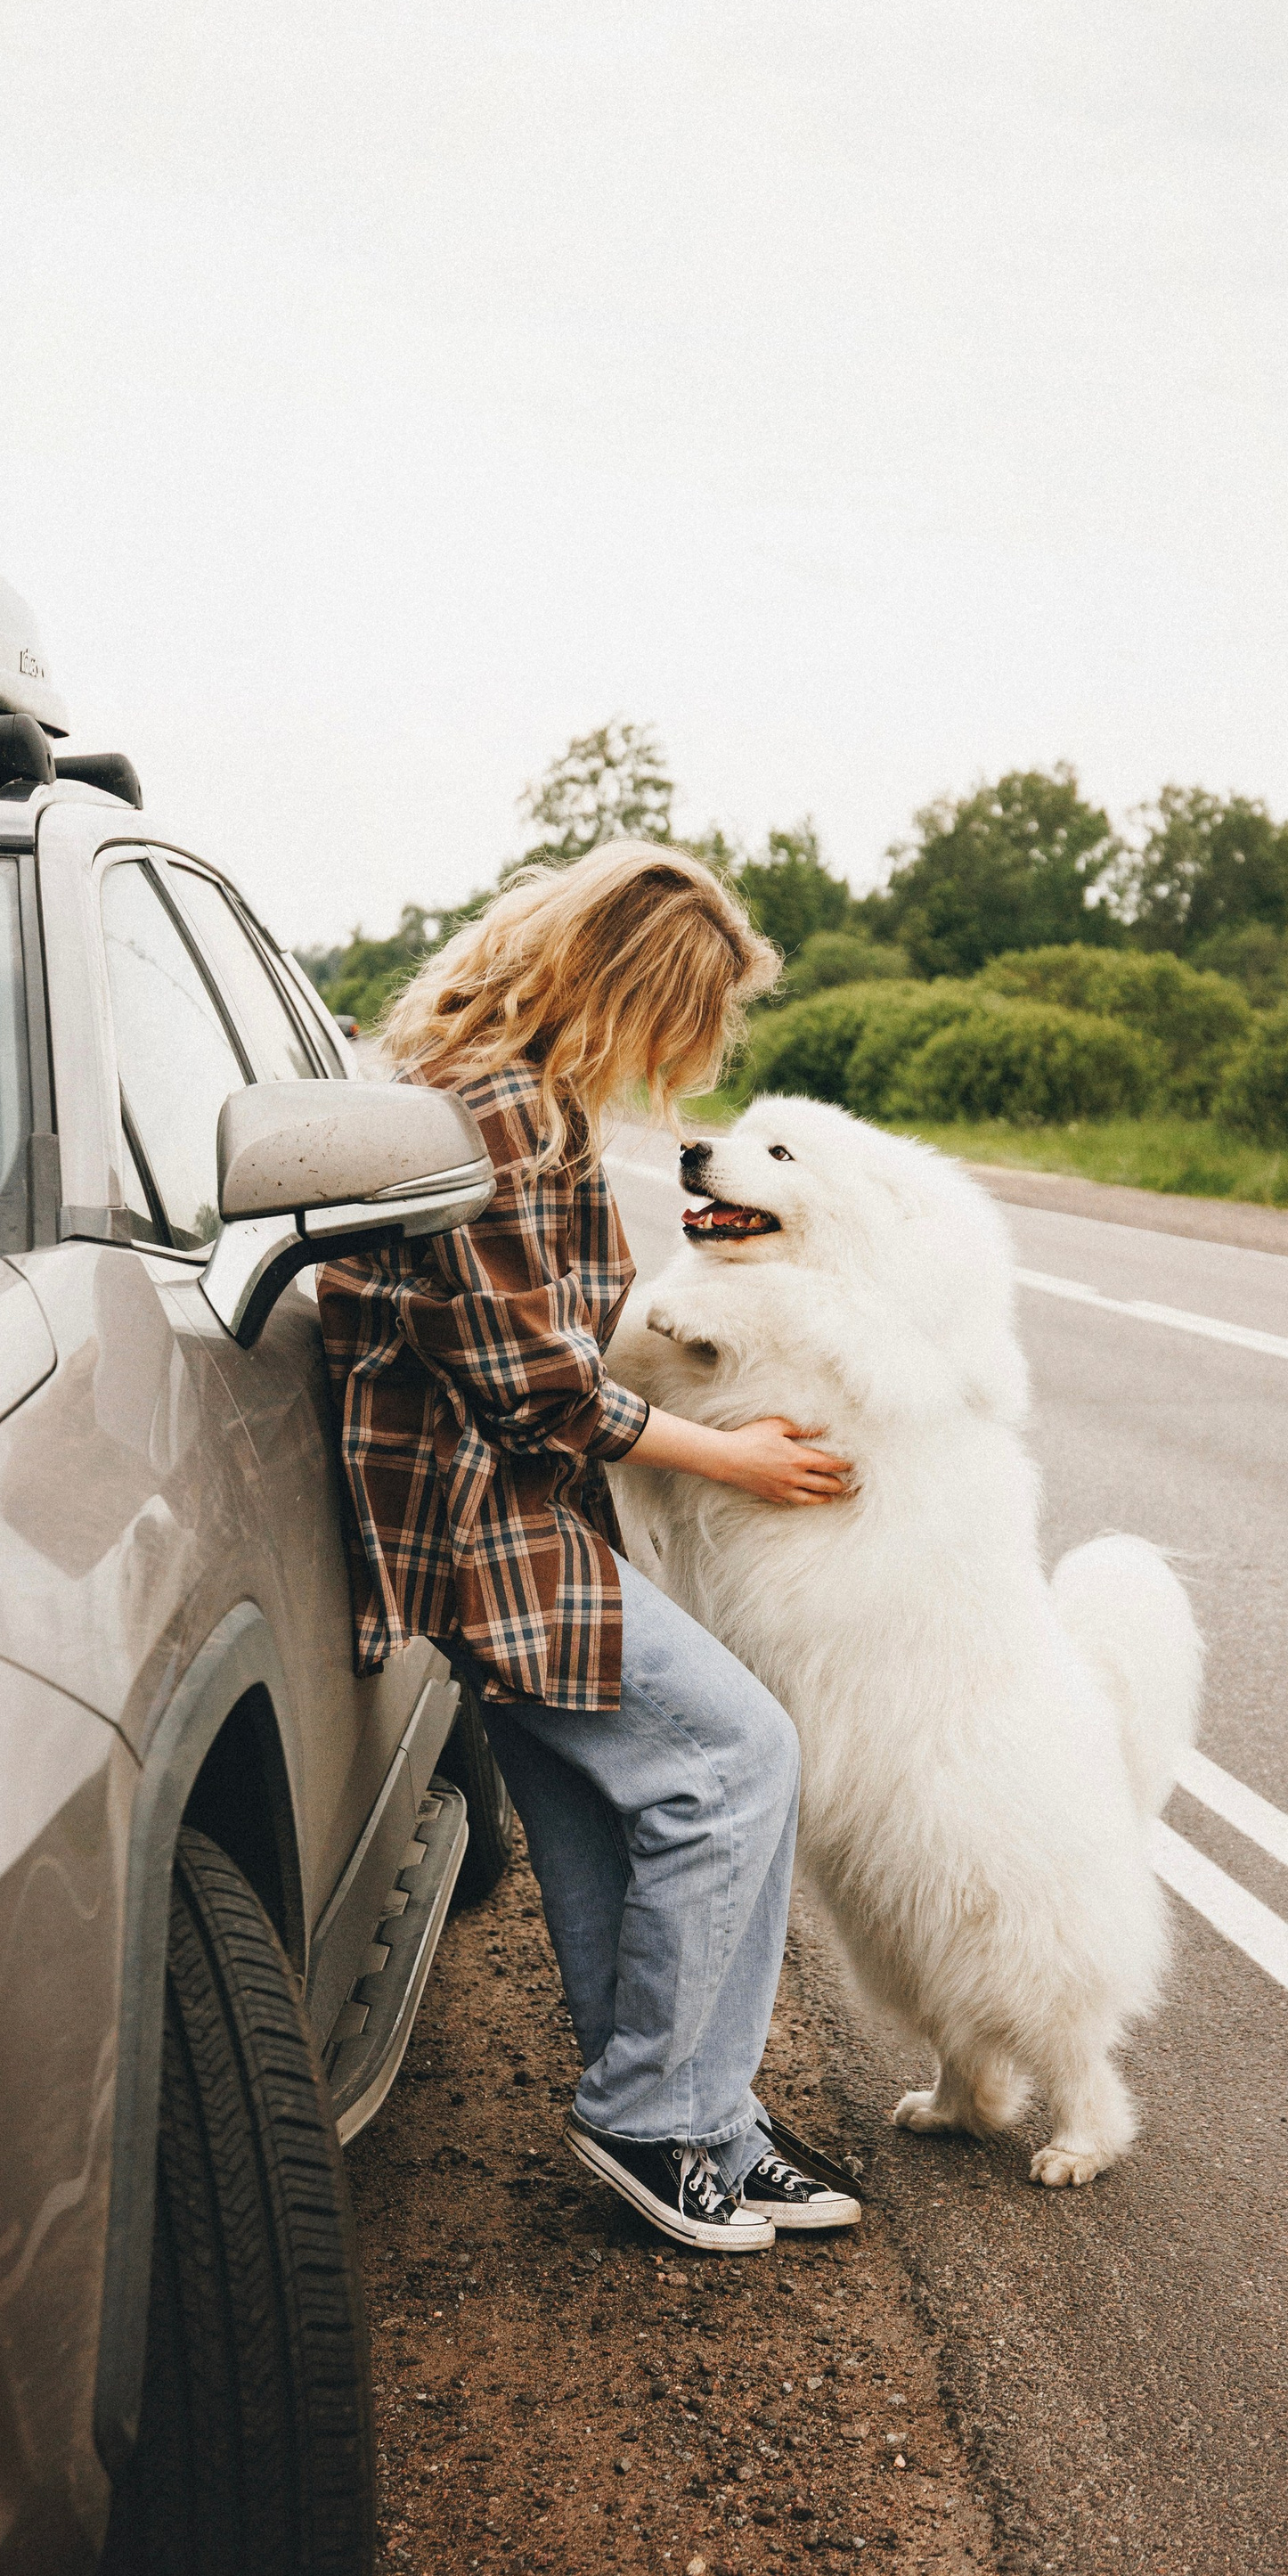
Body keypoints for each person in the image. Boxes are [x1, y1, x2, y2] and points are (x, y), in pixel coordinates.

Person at [317, 841, 860, 2252]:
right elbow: (532, 1384)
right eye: (693, 1018)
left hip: (515, 1506)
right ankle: (651, 2114)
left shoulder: (518, 1098)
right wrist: (733, 1455)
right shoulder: (490, 1112)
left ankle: (712, 2118)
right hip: (475, 1515)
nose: (695, 1054)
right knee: (741, 1760)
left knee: (608, 1804)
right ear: (631, 991)